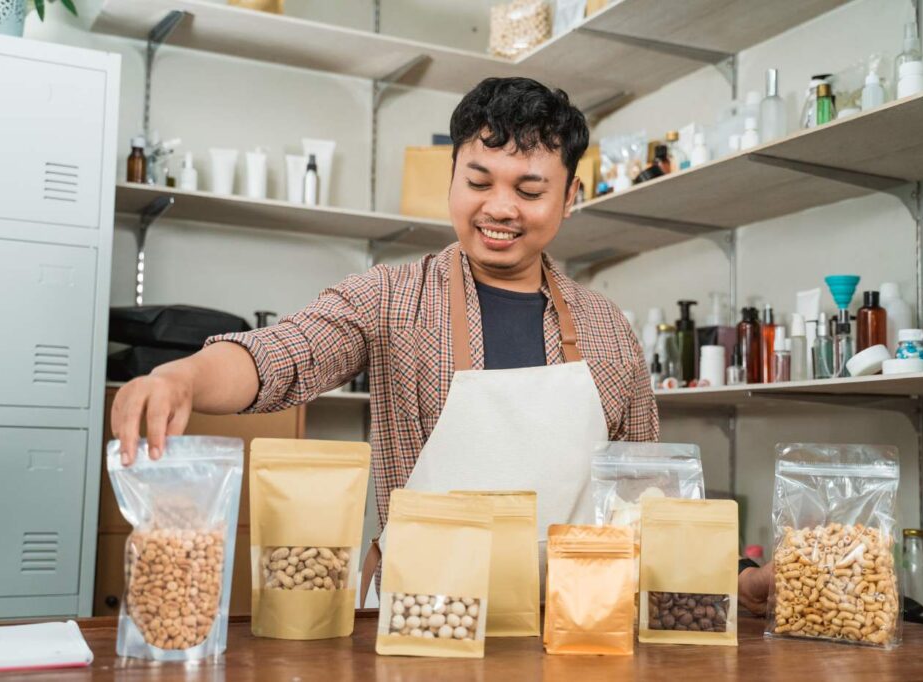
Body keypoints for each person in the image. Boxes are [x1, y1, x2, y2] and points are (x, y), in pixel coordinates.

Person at [110, 77, 771, 614]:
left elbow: (646, 502)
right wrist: (184, 380)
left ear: (570, 197)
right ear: (452, 178)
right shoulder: (392, 297)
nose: (500, 207)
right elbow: (285, 354)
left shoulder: (607, 328)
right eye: (479, 182)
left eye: (530, 189)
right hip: (419, 616)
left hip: (574, 624)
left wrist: (723, 586)